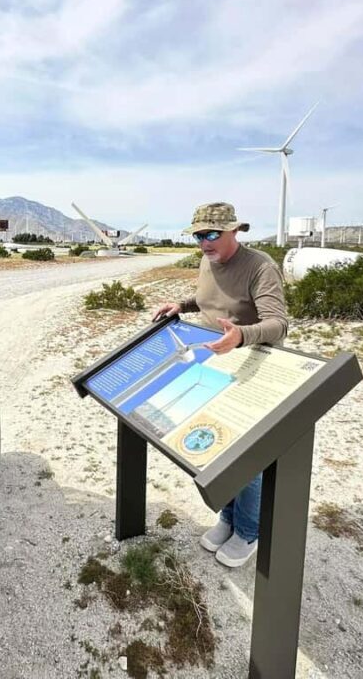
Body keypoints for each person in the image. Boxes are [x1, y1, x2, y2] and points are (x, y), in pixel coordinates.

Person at [153, 202, 287, 568]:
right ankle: (228, 518)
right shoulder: (207, 260)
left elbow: (278, 324)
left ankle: (247, 530)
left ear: (234, 231)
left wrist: (241, 335)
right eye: (198, 235)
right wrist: (179, 306)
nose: (204, 242)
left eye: (212, 234)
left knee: (249, 455)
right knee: (220, 444)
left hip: (253, 365)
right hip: (213, 364)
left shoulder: (260, 267)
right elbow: (207, 300)